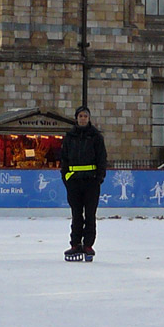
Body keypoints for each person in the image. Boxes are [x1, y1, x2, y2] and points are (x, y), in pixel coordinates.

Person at [59, 106, 107, 261]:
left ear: (89, 118)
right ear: (76, 118)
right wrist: (66, 177)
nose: (83, 118)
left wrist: (98, 178)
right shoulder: (69, 137)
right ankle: (75, 244)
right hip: (74, 182)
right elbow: (64, 159)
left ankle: (88, 245)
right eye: (80, 116)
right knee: (76, 214)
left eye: (85, 116)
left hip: (91, 182)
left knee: (90, 215)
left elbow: (102, 159)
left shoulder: (96, 137)